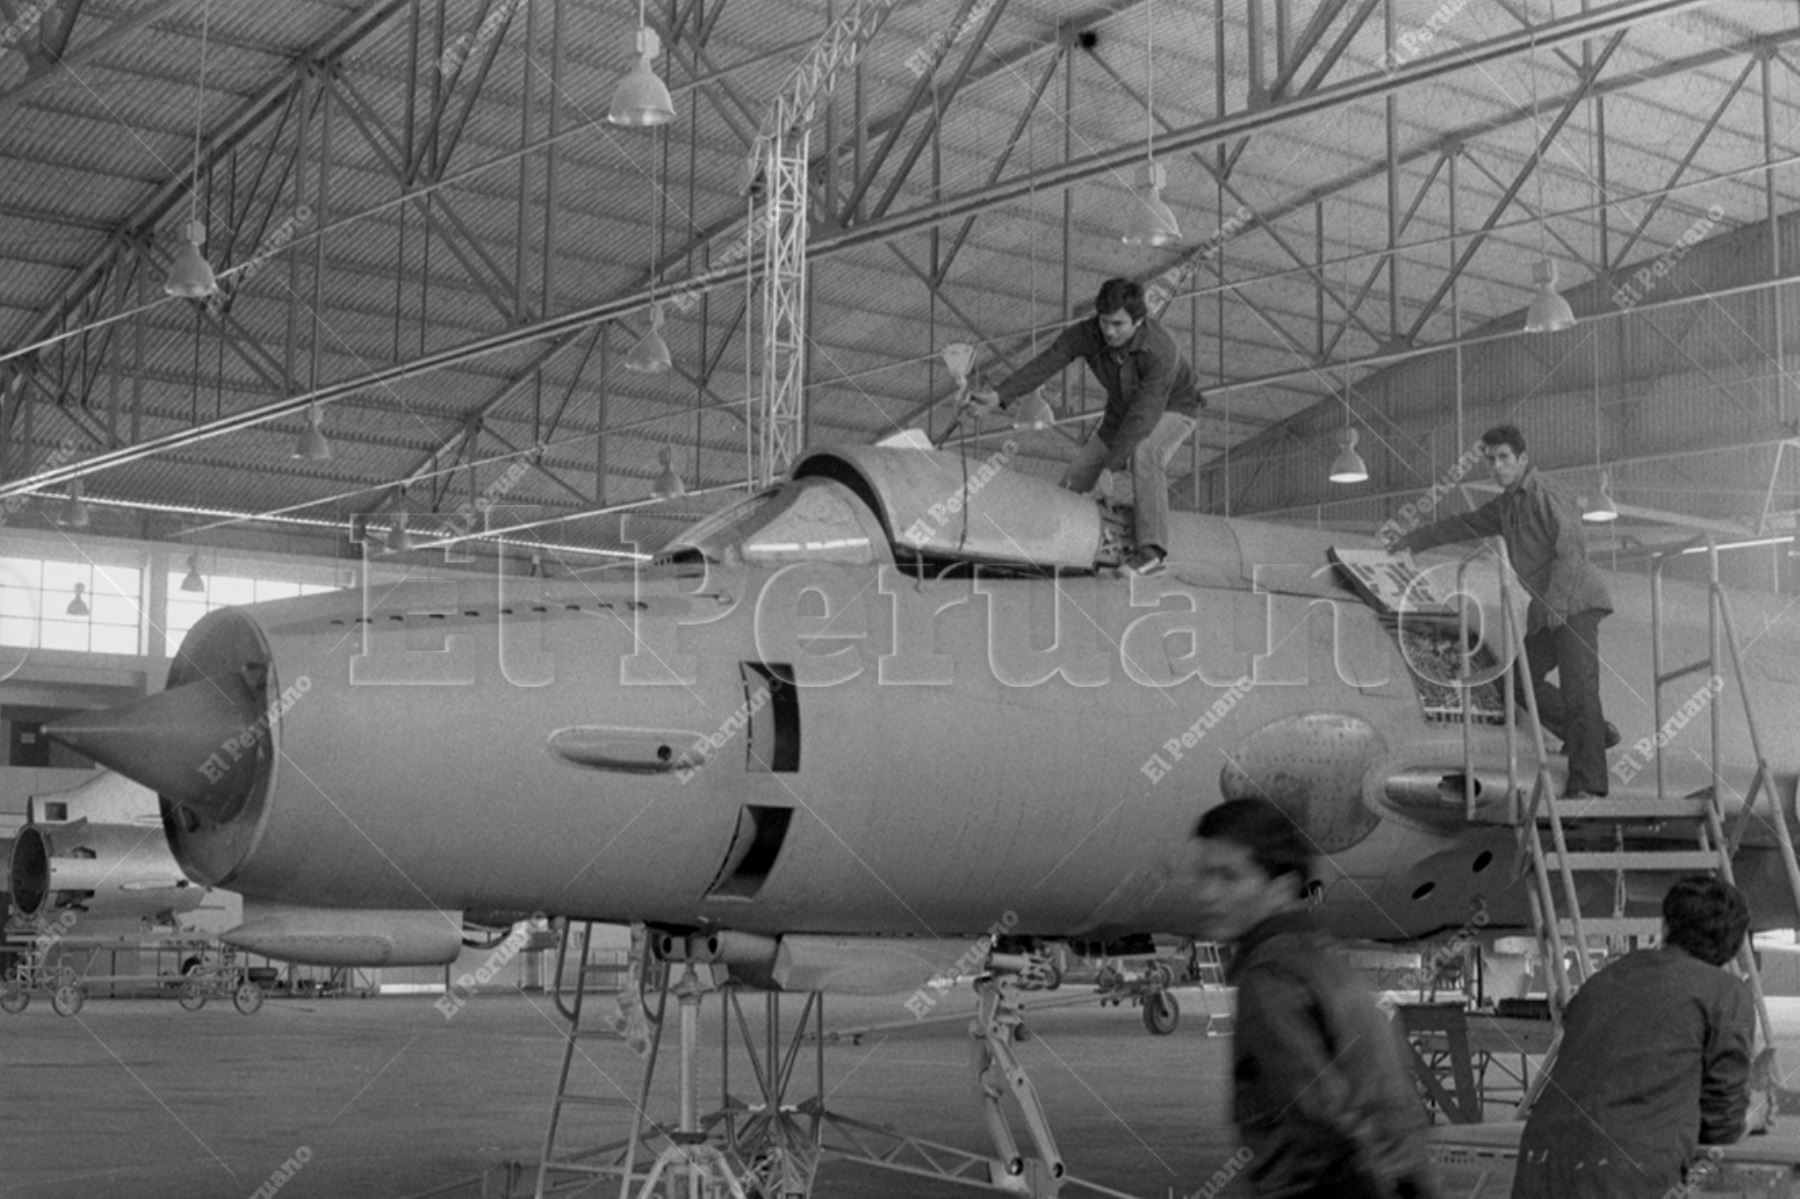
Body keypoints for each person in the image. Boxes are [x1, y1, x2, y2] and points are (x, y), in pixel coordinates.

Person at [1192, 798, 1436, 1198]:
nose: (1207, 894)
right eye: (1203, 875)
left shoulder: (1270, 979)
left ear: (1282, 886)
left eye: (1228, 877)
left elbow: (1319, 1127)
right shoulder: (1322, 955)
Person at [1388, 424, 1615, 798]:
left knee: (1580, 690)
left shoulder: (1546, 492)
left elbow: (1571, 549)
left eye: (1503, 458)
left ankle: (1589, 786)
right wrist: (1414, 540)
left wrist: (1557, 603)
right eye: (1490, 460)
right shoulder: (1506, 506)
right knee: (1514, 683)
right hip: (1546, 611)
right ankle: (1597, 733)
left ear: (1522, 459)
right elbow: (1464, 524)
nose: (1496, 466)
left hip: (1576, 603)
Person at [1511, 875, 1754, 1198]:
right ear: (1735, 944)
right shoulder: (1725, 994)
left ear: (1666, 927)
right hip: (1625, 1176)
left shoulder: (1600, 982)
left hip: (1539, 1166)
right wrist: (1755, 1113)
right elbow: (1720, 1124)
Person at [968, 277, 1203, 577]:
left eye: (1118, 324)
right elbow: (1048, 362)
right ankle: (1045, 550)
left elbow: (1143, 418)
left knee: (1145, 453)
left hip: (1173, 408)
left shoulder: (1160, 351)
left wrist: (1109, 471)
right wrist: (999, 395)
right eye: (1105, 322)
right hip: (1120, 414)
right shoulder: (1087, 334)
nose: (1109, 331)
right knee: (1074, 479)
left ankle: (1152, 552)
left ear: (1139, 320)